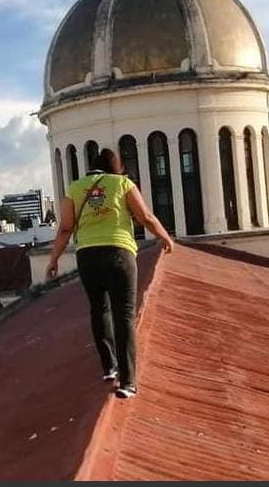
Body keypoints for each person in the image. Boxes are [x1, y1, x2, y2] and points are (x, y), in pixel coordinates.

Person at [46, 147, 174, 399]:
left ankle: (109, 367)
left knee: (98, 309)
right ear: (116, 167)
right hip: (119, 253)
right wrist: (165, 237)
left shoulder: (75, 188)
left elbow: (65, 229)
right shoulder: (123, 184)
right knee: (123, 315)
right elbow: (146, 217)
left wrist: (54, 259)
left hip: (88, 256)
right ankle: (128, 382)